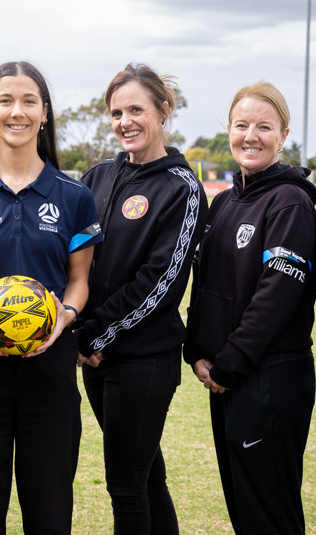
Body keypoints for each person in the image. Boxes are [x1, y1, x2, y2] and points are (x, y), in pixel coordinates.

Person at [0, 61, 103, 535]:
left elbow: (79, 280)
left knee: (49, 511)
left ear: (45, 113)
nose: (18, 111)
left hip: (49, 369)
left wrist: (64, 318)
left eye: (29, 100)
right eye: (6, 100)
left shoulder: (73, 196)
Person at [74, 63, 206, 535]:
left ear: (163, 111)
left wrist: (90, 334)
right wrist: (76, 331)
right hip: (95, 357)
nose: (124, 121)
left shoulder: (182, 188)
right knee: (147, 480)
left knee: (126, 488)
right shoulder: (96, 177)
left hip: (143, 361)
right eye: (116, 112)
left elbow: (160, 281)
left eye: (136, 109)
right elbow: (73, 260)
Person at [183, 82, 316, 534]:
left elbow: (275, 298)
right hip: (228, 377)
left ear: (283, 134)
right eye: (242, 125)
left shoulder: (290, 201)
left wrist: (228, 366)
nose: (251, 135)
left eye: (264, 126)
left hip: (270, 379)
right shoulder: (222, 203)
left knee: (270, 514)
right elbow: (205, 288)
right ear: (228, 131)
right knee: (245, 510)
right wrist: (197, 351)